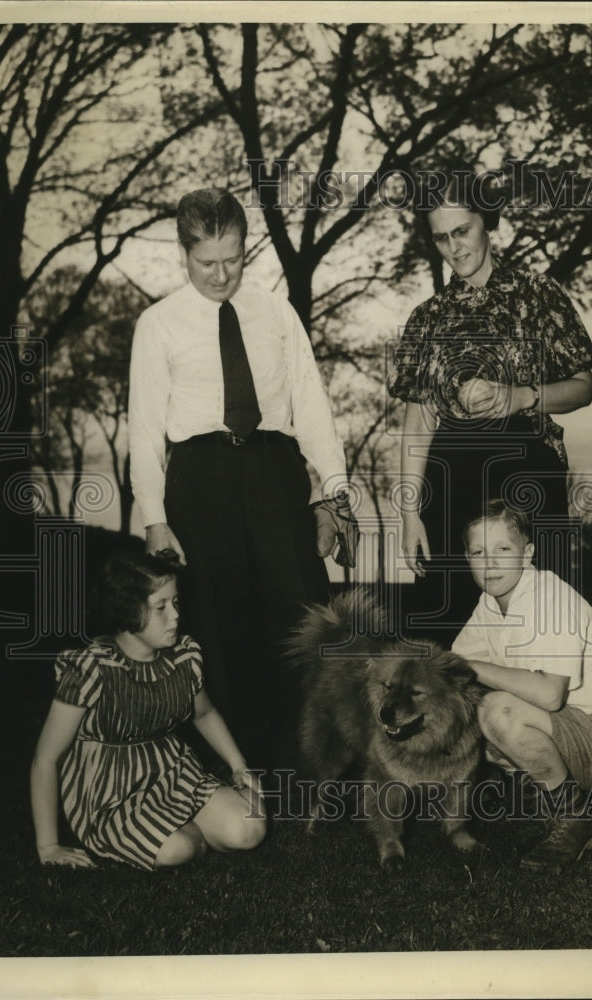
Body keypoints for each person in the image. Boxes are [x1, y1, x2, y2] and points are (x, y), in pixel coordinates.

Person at [128, 188, 353, 769]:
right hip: (199, 483)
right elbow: (148, 428)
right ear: (184, 253)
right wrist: (154, 518)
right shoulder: (158, 325)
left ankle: (313, 767)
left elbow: (312, 404)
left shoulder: (276, 312)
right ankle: (229, 773)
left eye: (233, 258)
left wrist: (333, 492)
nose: (222, 274)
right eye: (208, 262)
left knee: (302, 619)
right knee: (214, 629)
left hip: (275, 472)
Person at [387, 167, 592, 646]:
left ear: (487, 221)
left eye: (462, 230)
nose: (454, 247)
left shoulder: (539, 294)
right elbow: (417, 423)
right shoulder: (427, 318)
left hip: (528, 467)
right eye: (441, 238)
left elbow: (582, 387)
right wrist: (409, 514)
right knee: (448, 625)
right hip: (449, 473)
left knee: (537, 621)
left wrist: (522, 396)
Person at [30, 552, 266, 871]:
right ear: (126, 609)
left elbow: (204, 714)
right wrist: (49, 846)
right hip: (110, 789)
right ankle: (176, 831)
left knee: (250, 830)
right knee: (181, 849)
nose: (176, 616)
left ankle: (187, 821)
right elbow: (46, 758)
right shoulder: (92, 669)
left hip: (171, 771)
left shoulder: (182, 658)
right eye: (161, 607)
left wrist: (238, 765)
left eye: (176, 603)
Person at [451, 501, 592, 872]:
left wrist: (471, 666)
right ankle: (547, 801)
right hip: (563, 729)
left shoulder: (550, 598)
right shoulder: (489, 606)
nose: (489, 562)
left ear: (527, 554)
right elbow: (452, 675)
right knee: (465, 713)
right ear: (467, 558)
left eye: (503, 550)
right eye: (478, 552)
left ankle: (574, 817)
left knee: (497, 711)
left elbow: (550, 695)